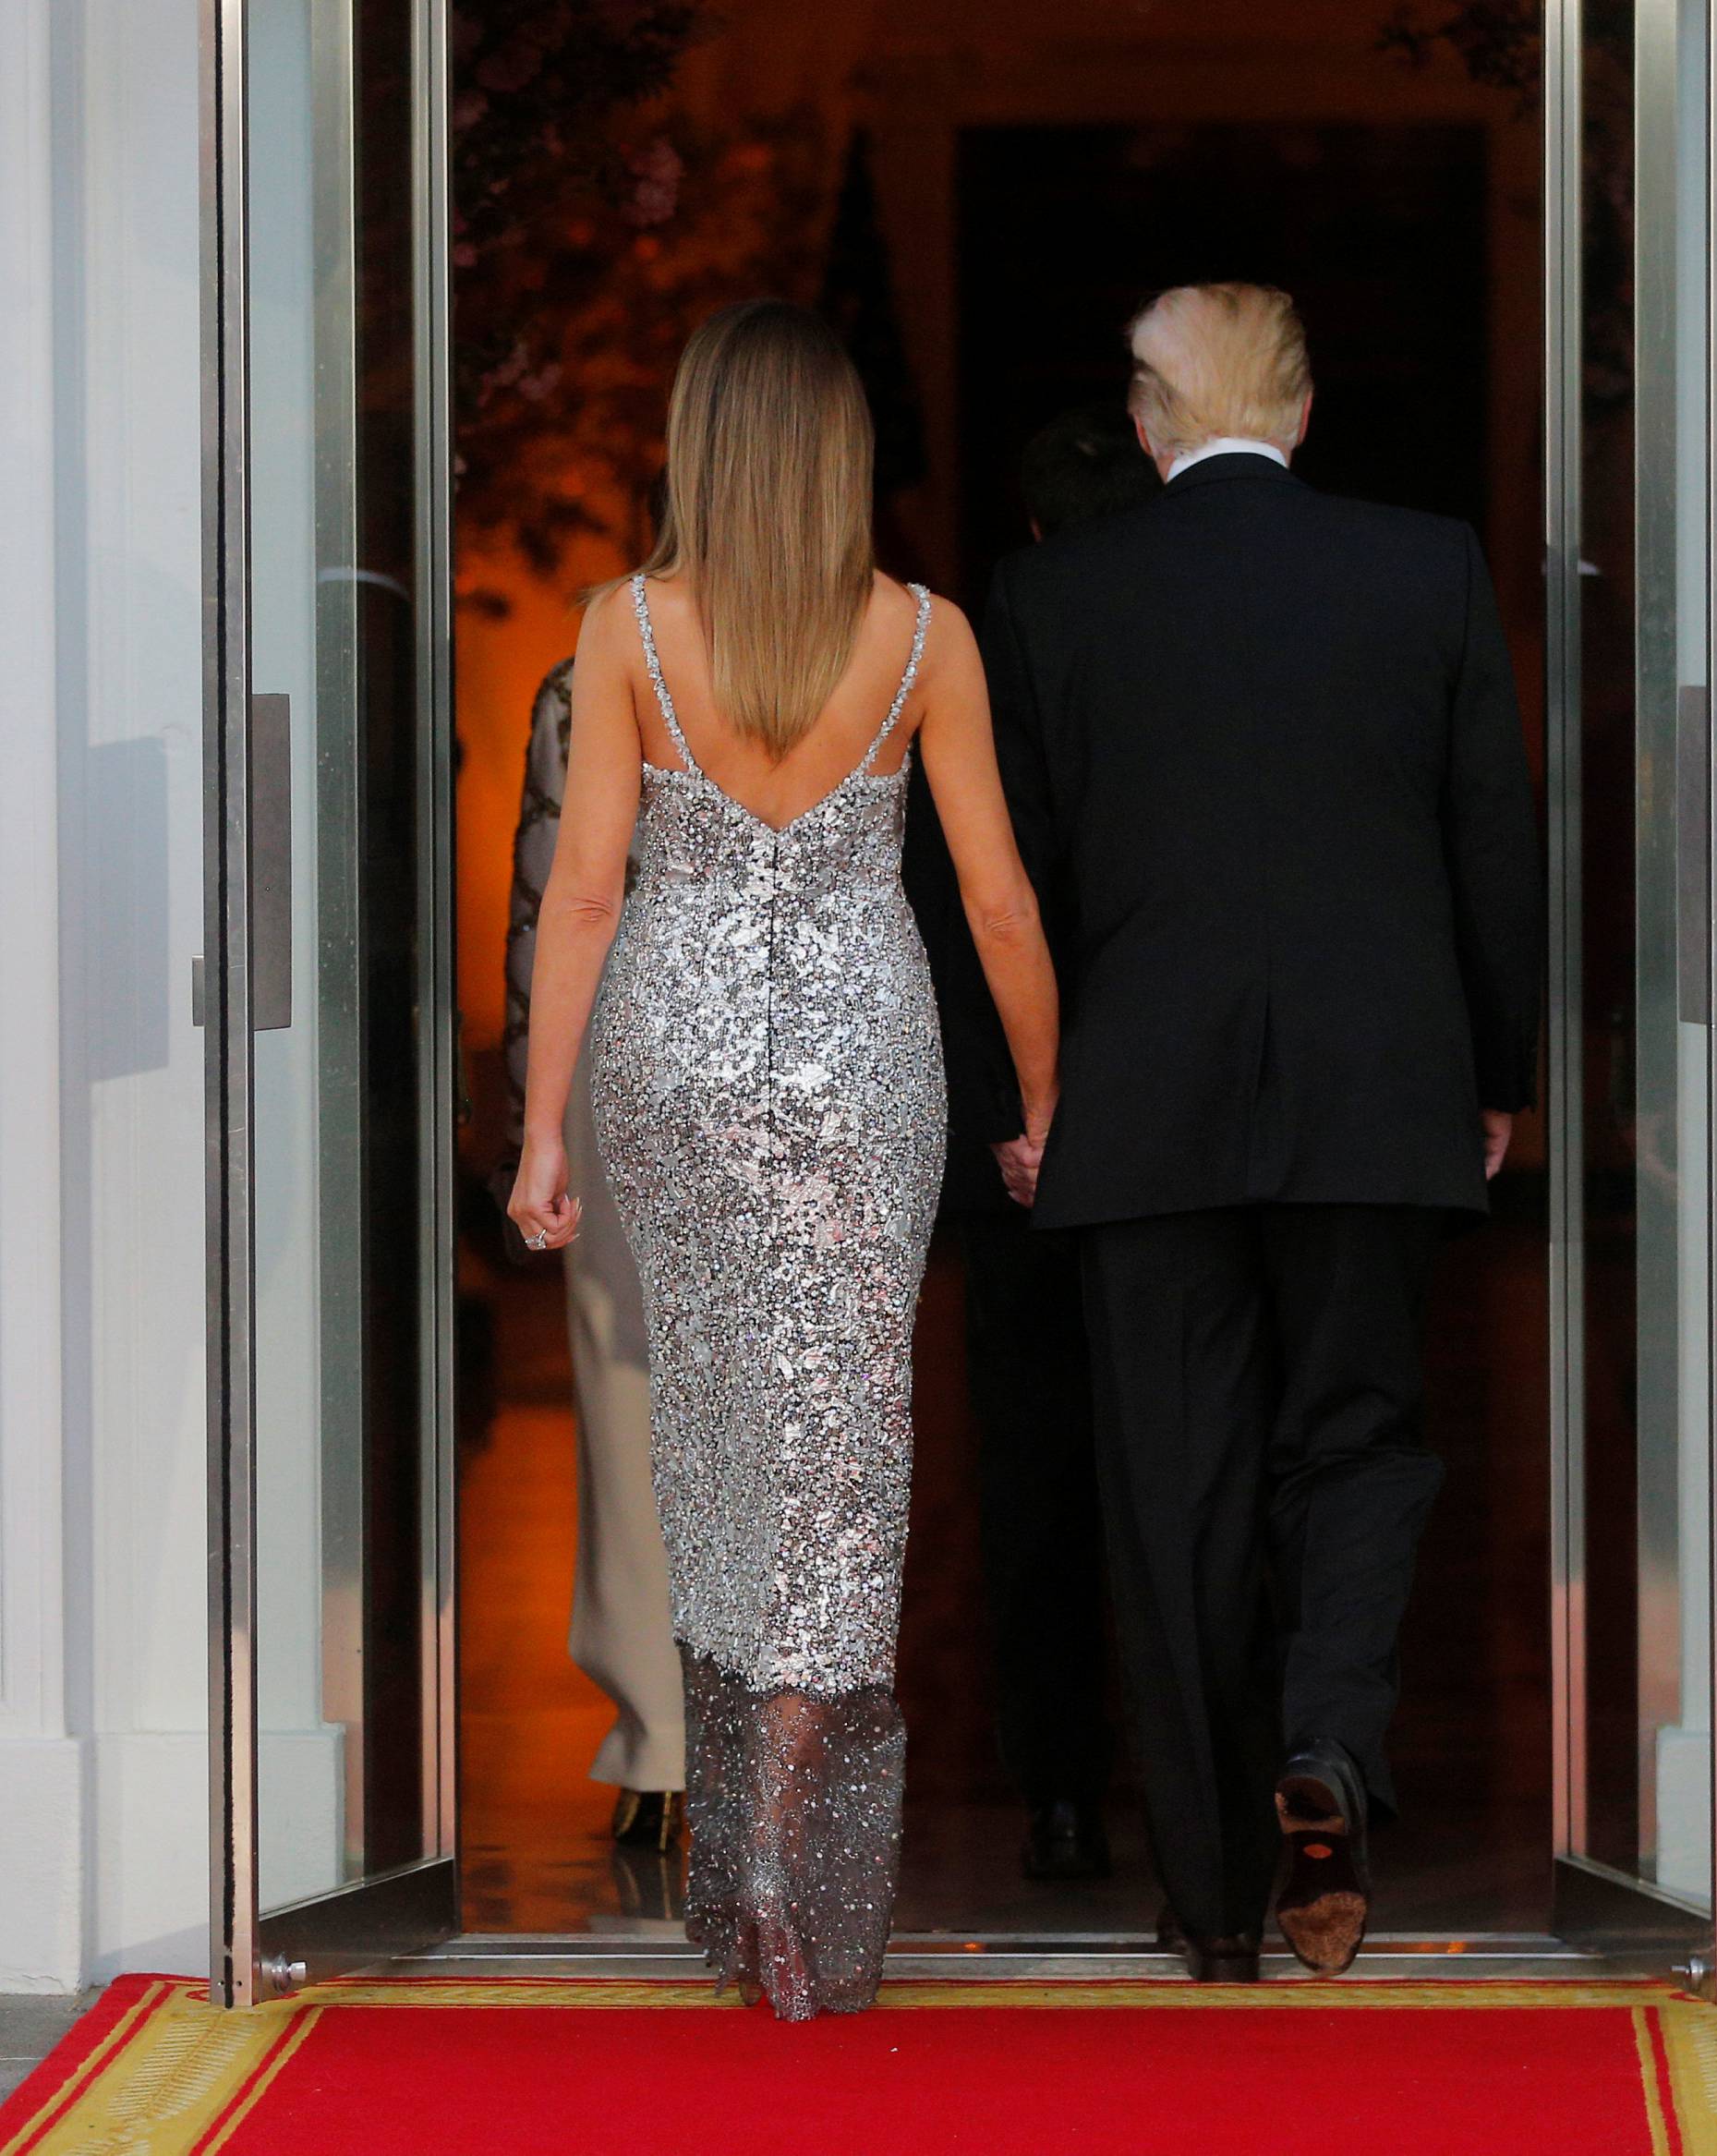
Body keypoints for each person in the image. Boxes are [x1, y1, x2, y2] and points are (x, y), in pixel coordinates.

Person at [979, 283, 1542, 1981]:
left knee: (1174, 1485)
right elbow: (1492, 847)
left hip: (1138, 1106)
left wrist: (1031, 1099)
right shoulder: (1426, 563)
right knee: (1359, 1437)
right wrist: (1497, 1072)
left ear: (1148, 432)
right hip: (1380, 1089)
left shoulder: (1050, 592)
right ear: (1301, 417)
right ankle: (1332, 1743)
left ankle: (1216, 1895)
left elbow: (1017, 888)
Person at [509, 298, 1060, 2020]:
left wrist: (541, 1123)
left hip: (669, 1057)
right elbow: (992, 901)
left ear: (701, 447)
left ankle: (733, 1834)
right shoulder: (923, 638)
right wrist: (1048, 1099)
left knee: (718, 1429)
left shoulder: (625, 631)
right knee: (845, 1438)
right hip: (857, 1065)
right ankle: (803, 1876)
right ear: (841, 460)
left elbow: (586, 893)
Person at [915, 405, 1161, 1883]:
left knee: (1036, 1473)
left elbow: (967, 913)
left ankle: (1062, 1788)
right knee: (1196, 1458)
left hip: (1034, 1136)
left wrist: (1014, 1115)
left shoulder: (992, 647)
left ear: (1029, 535)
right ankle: (1217, 1770)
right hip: (1183, 1122)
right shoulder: (1196, 654)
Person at [500, 658, 686, 1851]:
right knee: (802, 1406)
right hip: (824, 1051)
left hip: (633, 1049)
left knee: (632, 1395)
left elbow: (556, 895)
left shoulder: (595, 674)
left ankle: (664, 1742)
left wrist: (537, 1115)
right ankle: (795, 1724)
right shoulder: (872, 638)